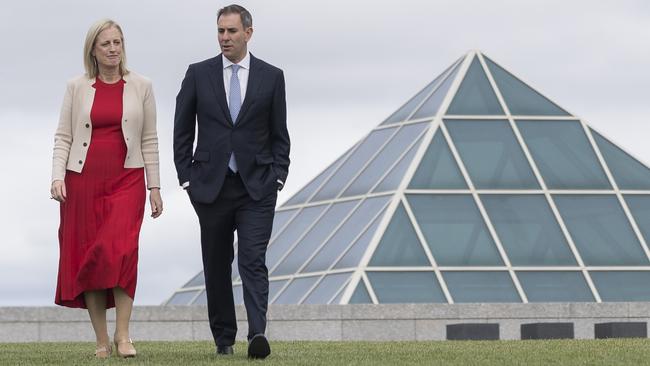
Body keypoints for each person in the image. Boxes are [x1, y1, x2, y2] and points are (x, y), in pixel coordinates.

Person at [173, 4, 289, 359]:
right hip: (210, 186)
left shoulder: (272, 76)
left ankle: (258, 333)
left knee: (252, 259)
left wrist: (278, 177)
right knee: (217, 263)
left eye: (232, 32)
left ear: (248, 33)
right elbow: (181, 130)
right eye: (220, 31)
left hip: (257, 187)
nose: (225, 37)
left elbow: (279, 133)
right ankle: (224, 338)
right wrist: (187, 180)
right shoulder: (198, 74)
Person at [50, 18, 162, 359]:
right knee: (92, 257)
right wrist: (56, 176)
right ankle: (101, 340)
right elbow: (64, 136)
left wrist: (154, 186)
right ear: (93, 52)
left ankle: (123, 335)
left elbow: (149, 139)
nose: (114, 49)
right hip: (81, 181)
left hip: (127, 179)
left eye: (118, 42)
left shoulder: (142, 85)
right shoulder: (76, 87)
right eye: (106, 44)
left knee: (122, 251)